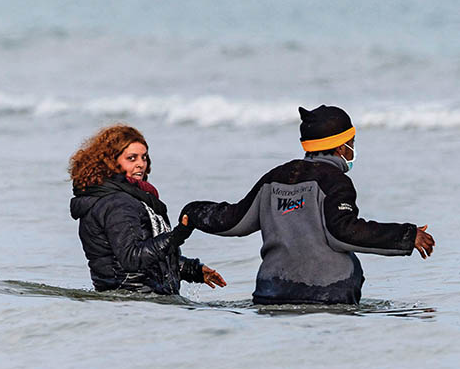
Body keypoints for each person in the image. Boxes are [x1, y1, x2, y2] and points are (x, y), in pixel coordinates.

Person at [180, 105, 435, 305]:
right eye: (352, 143)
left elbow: (232, 220)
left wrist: (192, 212)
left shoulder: (274, 178)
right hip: (328, 296)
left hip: (271, 293)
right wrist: (407, 235)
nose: (353, 150)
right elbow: (343, 232)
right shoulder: (335, 181)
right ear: (341, 146)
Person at [69, 124, 226, 295]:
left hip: (135, 301)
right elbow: (132, 258)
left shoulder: (128, 198)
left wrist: (192, 269)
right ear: (111, 162)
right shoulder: (117, 204)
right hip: (132, 302)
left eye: (144, 157)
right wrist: (179, 234)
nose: (141, 164)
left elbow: (149, 259)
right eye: (132, 158)